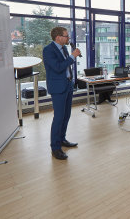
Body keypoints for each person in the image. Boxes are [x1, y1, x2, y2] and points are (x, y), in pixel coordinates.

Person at [43, 27, 81, 160]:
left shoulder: (64, 48)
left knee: (66, 115)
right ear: (58, 37)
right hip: (58, 87)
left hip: (68, 85)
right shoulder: (48, 50)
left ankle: (62, 139)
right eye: (66, 36)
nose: (68, 38)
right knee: (58, 118)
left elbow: (66, 66)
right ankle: (55, 148)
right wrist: (72, 56)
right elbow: (58, 67)